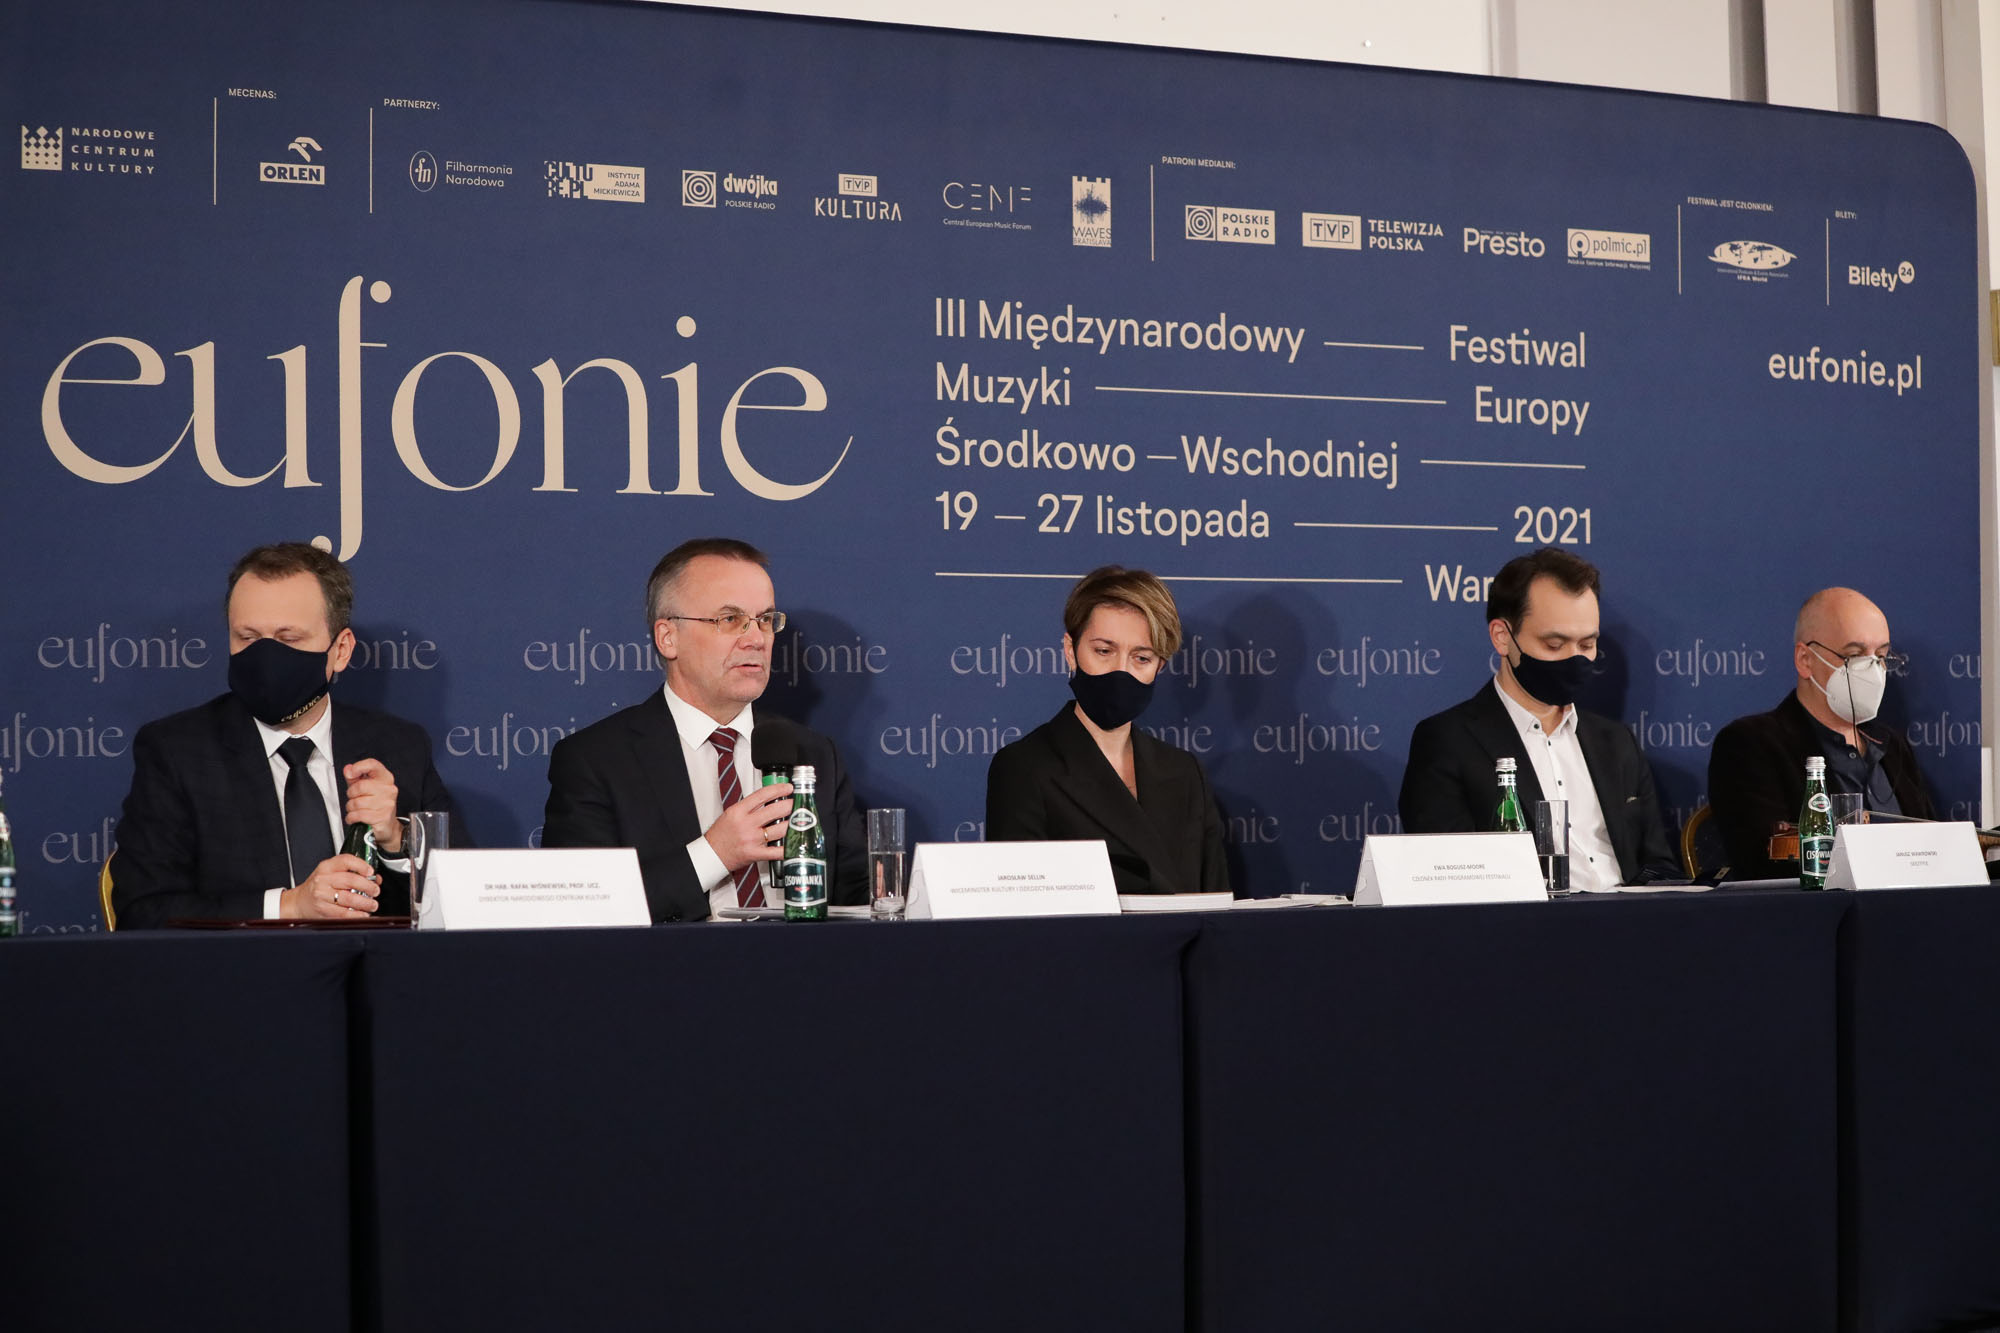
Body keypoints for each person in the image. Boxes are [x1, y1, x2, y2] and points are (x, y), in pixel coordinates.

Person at [112, 542, 457, 929]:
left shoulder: (399, 746)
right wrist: (290, 906)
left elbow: (462, 907)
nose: (265, 658)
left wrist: (396, 840)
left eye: (289, 639)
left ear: (341, 650)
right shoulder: (177, 753)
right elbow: (142, 912)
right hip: (249, 967)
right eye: (247, 638)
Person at [542, 538, 867, 922]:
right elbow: (582, 908)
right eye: (729, 619)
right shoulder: (596, 760)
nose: (756, 639)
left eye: (765, 620)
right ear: (668, 638)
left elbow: (860, 898)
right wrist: (714, 854)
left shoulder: (814, 753)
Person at [1398, 547, 1678, 889]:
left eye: (1587, 645)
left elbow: (1658, 866)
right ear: (1503, 637)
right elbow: (1446, 880)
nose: (1575, 659)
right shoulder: (1447, 741)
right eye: (1554, 645)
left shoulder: (1617, 742)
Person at [985, 566, 1230, 895]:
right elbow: (1021, 908)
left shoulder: (1185, 772)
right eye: (1104, 651)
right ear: (1071, 650)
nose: (1120, 671)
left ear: (1160, 666)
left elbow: (1216, 902)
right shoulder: (1025, 768)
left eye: (1141, 658)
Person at [1707, 587, 1935, 879]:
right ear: (1805, 660)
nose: (1873, 670)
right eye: (1854, 655)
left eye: (1880, 656)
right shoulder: (1751, 744)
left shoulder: (1893, 746)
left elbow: (1933, 846)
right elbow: (1762, 861)